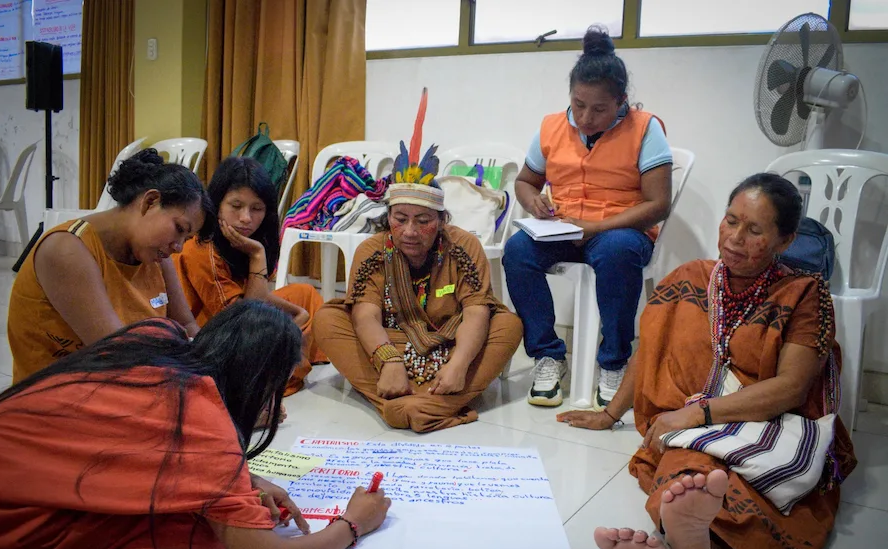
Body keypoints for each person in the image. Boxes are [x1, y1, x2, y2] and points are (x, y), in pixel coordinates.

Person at [556, 174, 856, 549]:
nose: (734, 238)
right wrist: (610, 413)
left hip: (772, 425)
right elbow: (650, 350)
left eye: (754, 230)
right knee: (689, 477)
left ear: (785, 239)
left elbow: (791, 389)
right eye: (730, 220)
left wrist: (695, 415)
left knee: (758, 503)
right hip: (697, 431)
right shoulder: (690, 279)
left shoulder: (804, 293)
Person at [0, 301, 391, 549]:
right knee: (204, 530)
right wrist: (353, 522)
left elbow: (135, 443)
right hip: (4, 533)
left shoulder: (154, 336)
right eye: (276, 386)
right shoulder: (203, 420)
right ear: (257, 381)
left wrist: (246, 479)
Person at [312, 90, 523, 433]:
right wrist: (389, 360)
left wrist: (458, 364)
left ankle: (400, 404)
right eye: (400, 218)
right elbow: (365, 314)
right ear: (388, 217)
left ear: (441, 221)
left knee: (508, 325)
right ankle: (432, 403)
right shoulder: (373, 250)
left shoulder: (464, 246)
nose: (410, 231)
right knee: (328, 318)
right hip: (390, 343)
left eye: (423, 220)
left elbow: (476, 312)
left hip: (450, 344)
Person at [503, 26, 673, 409]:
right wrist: (534, 203)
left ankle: (614, 361)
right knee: (517, 252)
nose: (585, 116)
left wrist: (596, 227)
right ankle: (547, 355)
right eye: (578, 105)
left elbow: (658, 202)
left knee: (616, 253)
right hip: (562, 227)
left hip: (620, 230)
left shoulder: (646, 129)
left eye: (599, 109)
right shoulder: (550, 126)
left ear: (622, 102)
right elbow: (526, 181)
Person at [7, 149, 215, 384]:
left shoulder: (156, 254)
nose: (178, 247)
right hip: (57, 396)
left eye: (186, 239)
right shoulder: (66, 249)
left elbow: (186, 325)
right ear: (150, 202)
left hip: (121, 384)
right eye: (179, 229)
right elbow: (118, 354)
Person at [174, 157, 328, 396]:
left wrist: (298, 313)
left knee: (304, 294)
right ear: (216, 204)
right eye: (236, 206)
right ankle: (286, 365)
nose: (246, 218)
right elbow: (246, 323)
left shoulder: (246, 240)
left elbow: (254, 294)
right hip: (210, 333)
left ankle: (299, 355)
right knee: (282, 335)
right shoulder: (202, 248)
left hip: (240, 313)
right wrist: (257, 255)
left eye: (256, 209)